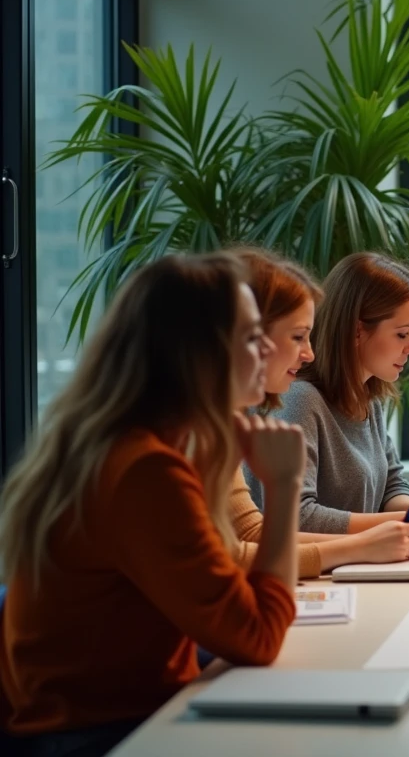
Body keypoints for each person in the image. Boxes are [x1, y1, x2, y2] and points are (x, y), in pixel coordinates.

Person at [0, 254, 302, 756]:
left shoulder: (126, 446)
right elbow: (258, 638)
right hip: (97, 734)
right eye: (252, 337)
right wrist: (286, 484)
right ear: (199, 355)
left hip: (92, 713)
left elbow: (227, 597)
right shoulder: (145, 470)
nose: (270, 348)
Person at [251, 252, 409, 540]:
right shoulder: (300, 400)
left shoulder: (369, 398)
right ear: (357, 331)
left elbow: (392, 485)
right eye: (402, 334)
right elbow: (297, 518)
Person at [231, 247, 409, 577]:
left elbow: (251, 538)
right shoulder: (300, 399)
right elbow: (254, 546)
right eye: (297, 336)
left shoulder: (369, 398)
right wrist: (390, 531)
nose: (308, 353)